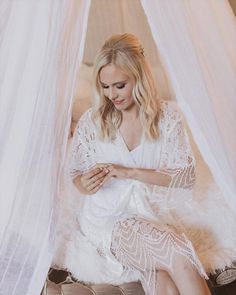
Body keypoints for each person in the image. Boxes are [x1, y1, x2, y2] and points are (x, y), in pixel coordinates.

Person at [69, 33, 211, 295]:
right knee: (181, 256)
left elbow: (185, 177)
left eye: (120, 85)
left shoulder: (167, 117)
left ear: (140, 77)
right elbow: (76, 174)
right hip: (110, 219)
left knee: (166, 287)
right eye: (105, 86)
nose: (112, 94)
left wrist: (131, 172)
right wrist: (85, 184)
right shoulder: (92, 121)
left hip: (152, 214)